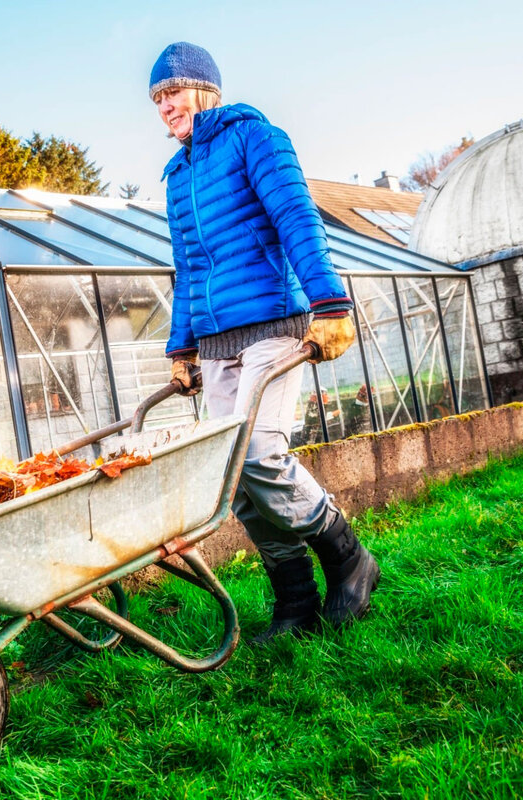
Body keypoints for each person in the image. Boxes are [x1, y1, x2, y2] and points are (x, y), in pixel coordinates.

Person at [151, 42, 380, 643]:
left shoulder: (256, 137)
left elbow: (297, 219)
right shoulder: (177, 176)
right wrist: (182, 347)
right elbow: (188, 267)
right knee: (233, 473)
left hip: (275, 325)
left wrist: (330, 304)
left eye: (172, 92)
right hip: (216, 339)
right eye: (156, 98)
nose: (164, 106)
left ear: (205, 89)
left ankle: (350, 560)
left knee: (258, 453)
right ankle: (296, 604)